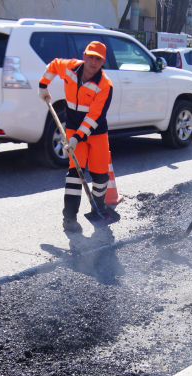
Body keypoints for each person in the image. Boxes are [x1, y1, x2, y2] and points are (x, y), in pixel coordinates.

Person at [38, 41, 114, 233]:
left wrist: (78, 137)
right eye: (91, 56)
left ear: (102, 61)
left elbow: (94, 116)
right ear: (84, 55)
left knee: (101, 174)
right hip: (72, 128)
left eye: (98, 59)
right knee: (75, 173)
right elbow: (54, 65)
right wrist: (43, 84)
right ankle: (69, 217)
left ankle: (99, 207)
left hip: (96, 133)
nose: (93, 62)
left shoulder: (105, 85)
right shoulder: (70, 68)